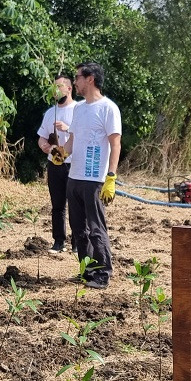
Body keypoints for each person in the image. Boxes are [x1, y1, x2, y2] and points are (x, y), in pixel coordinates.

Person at [63, 61, 120, 289]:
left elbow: (115, 143)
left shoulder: (108, 108)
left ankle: (103, 272)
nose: (74, 82)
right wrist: (61, 153)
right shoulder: (79, 108)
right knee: (78, 229)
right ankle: (87, 270)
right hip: (74, 176)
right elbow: (72, 140)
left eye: (77, 77)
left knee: (96, 228)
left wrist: (111, 177)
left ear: (90, 79)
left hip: (94, 178)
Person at [36, 72, 76, 254]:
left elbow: (81, 136)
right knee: (57, 204)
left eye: (59, 86)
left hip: (73, 163)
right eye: (53, 87)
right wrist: (44, 145)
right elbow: (41, 137)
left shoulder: (78, 109)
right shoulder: (50, 112)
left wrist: (68, 129)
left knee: (76, 204)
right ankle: (59, 241)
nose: (55, 91)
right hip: (55, 163)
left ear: (69, 88)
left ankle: (77, 242)